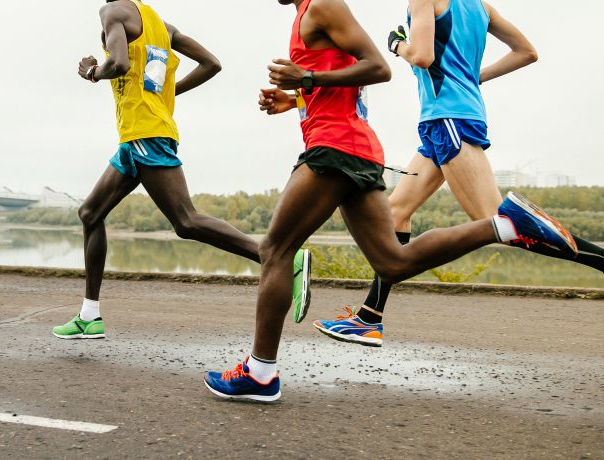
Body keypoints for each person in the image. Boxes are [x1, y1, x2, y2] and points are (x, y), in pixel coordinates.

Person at [203, 0, 579, 402]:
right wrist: (297, 99)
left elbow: (378, 67)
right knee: (393, 262)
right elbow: (346, 86)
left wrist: (307, 79)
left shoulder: (323, 6)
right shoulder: (310, 14)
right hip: (355, 147)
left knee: (276, 250)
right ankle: (504, 225)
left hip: (336, 147)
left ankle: (260, 374)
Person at [313, 0, 604, 346]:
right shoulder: (480, 7)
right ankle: (368, 318)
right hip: (449, 121)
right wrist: (471, 77)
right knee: (397, 212)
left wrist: (397, 44)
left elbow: (421, 56)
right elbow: (526, 52)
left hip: (447, 119)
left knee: (498, 222)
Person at [52, 0, 311, 340]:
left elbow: (116, 63)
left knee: (186, 221)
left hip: (146, 134)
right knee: (90, 213)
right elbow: (211, 64)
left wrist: (91, 72)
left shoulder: (113, 11)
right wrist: (165, 93)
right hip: (136, 138)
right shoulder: (159, 25)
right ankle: (90, 316)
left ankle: (279, 258)